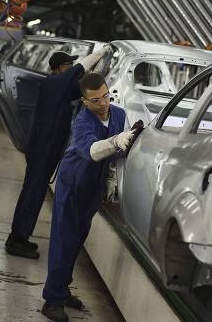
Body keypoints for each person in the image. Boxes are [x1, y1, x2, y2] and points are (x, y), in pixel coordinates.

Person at [41, 73, 135, 322]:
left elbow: (117, 154)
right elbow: (93, 152)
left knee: (77, 241)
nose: (102, 103)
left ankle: (62, 289)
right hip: (72, 185)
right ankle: (52, 300)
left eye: (105, 96)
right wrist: (116, 141)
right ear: (84, 101)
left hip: (93, 187)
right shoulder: (82, 121)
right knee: (64, 241)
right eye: (95, 100)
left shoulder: (119, 114)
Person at [5, 46, 109, 259]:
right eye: (68, 66)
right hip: (42, 147)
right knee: (33, 192)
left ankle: (20, 237)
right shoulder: (52, 83)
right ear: (60, 68)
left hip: (47, 148)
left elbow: (80, 88)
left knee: (35, 192)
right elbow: (75, 73)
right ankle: (16, 240)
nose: (71, 69)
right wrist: (94, 56)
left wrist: (97, 71)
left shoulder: (61, 88)